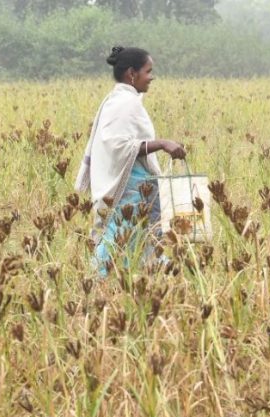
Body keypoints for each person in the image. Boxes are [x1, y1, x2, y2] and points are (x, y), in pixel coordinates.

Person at [74, 46, 186, 276]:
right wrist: (163, 143)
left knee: (140, 235)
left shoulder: (120, 99)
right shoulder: (125, 103)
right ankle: (98, 281)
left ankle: (140, 280)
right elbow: (120, 146)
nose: (151, 77)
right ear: (131, 74)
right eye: (148, 71)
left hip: (136, 184)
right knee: (121, 233)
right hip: (129, 187)